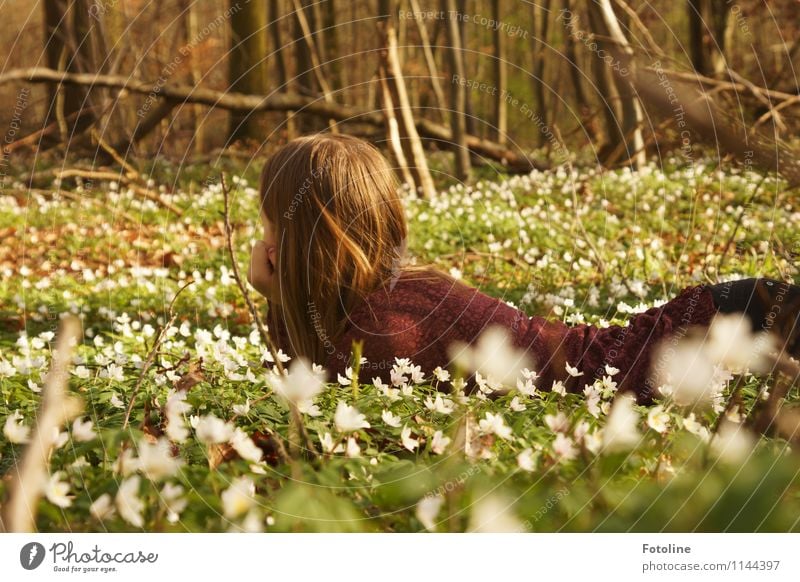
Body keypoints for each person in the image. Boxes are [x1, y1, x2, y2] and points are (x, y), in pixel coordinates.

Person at [247, 133, 800, 404]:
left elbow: (314, 391)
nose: (261, 241)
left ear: (298, 243)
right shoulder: (376, 303)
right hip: (702, 328)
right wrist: (280, 300)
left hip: (723, 325)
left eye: (269, 225)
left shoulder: (388, 331)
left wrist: (276, 301)